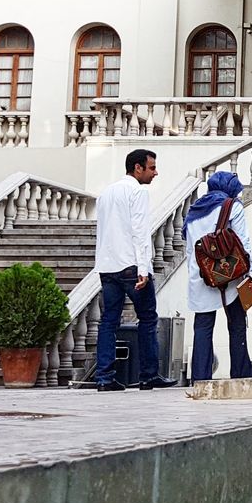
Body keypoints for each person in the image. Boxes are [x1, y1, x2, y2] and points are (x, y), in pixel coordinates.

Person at [92, 149, 176, 392]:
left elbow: (104, 230)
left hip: (108, 266)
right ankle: (148, 375)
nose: (155, 172)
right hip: (130, 265)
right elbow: (140, 231)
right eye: (151, 168)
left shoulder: (106, 193)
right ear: (137, 168)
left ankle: (104, 377)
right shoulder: (137, 191)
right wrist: (143, 268)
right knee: (148, 318)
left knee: (109, 321)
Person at [185, 172, 252, 382]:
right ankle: (241, 374)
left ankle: (200, 378)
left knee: (203, 326)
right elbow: (243, 242)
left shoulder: (193, 211)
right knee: (236, 323)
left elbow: (191, 248)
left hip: (201, 272)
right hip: (230, 272)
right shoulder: (231, 206)